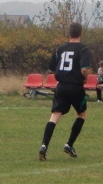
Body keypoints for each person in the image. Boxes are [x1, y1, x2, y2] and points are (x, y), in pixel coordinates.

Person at [38, 22, 91, 161]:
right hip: (76, 87)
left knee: (55, 116)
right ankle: (69, 144)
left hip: (61, 86)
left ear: (68, 33)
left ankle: (44, 145)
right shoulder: (84, 49)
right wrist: (85, 78)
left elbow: (51, 69)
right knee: (81, 114)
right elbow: (84, 69)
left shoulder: (60, 49)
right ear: (81, 33)